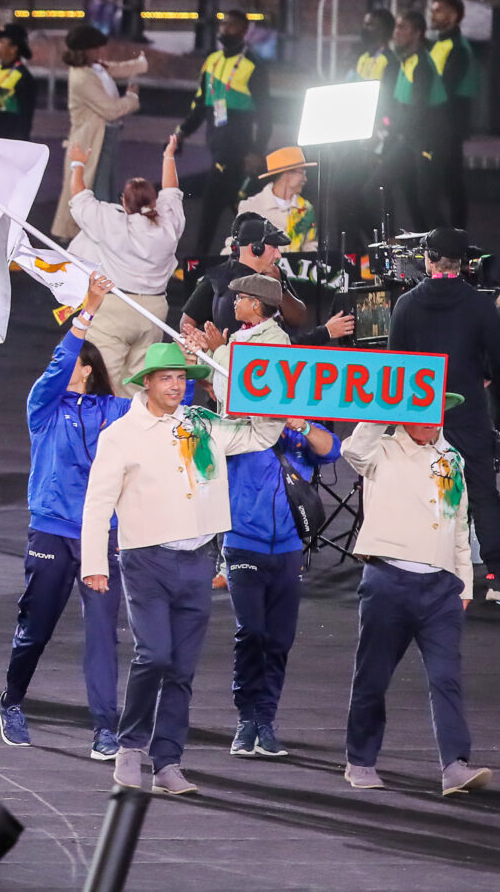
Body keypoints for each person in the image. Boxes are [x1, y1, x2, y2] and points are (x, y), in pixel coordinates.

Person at [79, 340, 305, 795]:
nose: (176, 386)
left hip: (197, 560)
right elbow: (98, 503)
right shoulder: (121, 435)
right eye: (167, 378)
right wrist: (93, 563)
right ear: (147, 383)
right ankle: (130, 747)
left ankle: (168, 762)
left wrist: (273, 405)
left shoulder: (202, 422)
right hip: (145, 559)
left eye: (182, 378)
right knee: (154, 655)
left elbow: (258, 435)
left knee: (182, 667)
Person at [188, 274, 339, 760]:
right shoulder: (237, 424)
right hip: (245, 539)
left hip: (290, 544)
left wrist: (297, 422)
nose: (233, 302)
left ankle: (265, 721)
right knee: (251, 632)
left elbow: (330, 449)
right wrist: (217, 359)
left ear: (258, 305)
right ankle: (246, 718)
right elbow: (221, 406)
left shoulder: (292, 412)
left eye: (240, 298)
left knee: (278, 640)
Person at [0, 274, 128, 759]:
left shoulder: (116, 411)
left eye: (72, 361)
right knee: (37, 624)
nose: (60, 366)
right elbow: (54, 369)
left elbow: (163, 408)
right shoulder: (43, 407)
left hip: (100, 536)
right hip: (51, 529)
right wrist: (87, 311)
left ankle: (105, 729)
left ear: (88, 369)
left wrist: (206, 363)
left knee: (102, 634)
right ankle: (11, 701)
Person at [339, 397, 489, 796]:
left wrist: (463, 583)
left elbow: (459, 521)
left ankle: (455, 765)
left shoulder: (450, 456)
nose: (427, 421)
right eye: (418, 411)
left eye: (433, 412)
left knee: (447, 677)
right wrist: (382, 411)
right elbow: (352, 450)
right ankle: (360, 759)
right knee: (373, 674)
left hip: (441, 588)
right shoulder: (382, 447)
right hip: (389, 578)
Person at [388, 226, 500, 603]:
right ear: (464, 263)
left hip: (422, 417)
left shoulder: (405, 305)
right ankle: (497, 577)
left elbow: (394, 369)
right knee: (483, 493)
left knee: (423, 492)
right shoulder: (480, 305)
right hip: (469, 415)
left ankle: (425, 567)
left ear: (429, 259)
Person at [64, 135, 184, 394]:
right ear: (154, 202)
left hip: (115, 308)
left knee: (102, 380)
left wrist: (78, 164)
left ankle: (100, 433)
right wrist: (168, 155)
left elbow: (80, 197)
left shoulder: (112, 223)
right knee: (139, 386)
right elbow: (172, 191)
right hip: (154, 311)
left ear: (124, 202)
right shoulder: (169, 225)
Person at [180, 213, 351, 344]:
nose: (278, 254)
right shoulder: (217, 279)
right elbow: (272, 349)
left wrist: (280, 288)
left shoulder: (273, 273)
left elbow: (298, 319)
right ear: (255, 248)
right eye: (274, 247)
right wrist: (210, 351)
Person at [177, 10, 262, 260]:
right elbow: (200, 103)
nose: (225, 30)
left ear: (244, 31)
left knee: (212, 201)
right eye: (223, 24)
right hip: (215, 142)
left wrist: (256, 150)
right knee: (237, 203)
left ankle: (198, 258)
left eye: (232, 26)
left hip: (237, 145)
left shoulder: (253, 65)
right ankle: (260, 249)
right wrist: (182, 132)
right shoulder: (212, 61)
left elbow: (265, 113)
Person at [51, 26, 145, 239]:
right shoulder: (83, 77)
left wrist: (140, 64)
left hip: (103, 137)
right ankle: (89, 242)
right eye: (95, 48)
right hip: (90, 142)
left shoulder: (94, 69)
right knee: (95, 193)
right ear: (85, 51)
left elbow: (116, 68)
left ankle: (97, 240)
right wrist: (131, 98)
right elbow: (110, 110)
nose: (100, 52)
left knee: (102, 191)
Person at [384, 6, 445, 232]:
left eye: (402, 27)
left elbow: (419, 112)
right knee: (414, 200)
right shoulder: (407, 61)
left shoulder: (421, 66)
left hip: (423, 143)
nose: (396, 32)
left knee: (427, 203)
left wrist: (393, 130)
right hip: (410, 140)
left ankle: (450, 256)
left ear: (417, 33)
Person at [426, 0, 479, 227]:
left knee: (450, 184)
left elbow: (446, 88)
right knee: (447, 183)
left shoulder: (458, 48)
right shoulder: (439, 44)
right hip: (439, 124)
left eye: (439, 10)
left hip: (448, 125)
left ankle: (457, 237)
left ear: (454, 16)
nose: (433, 14)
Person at [236, 146, 317, 251]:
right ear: (287, 174)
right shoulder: (252, 207)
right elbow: (237, 243)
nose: (305, 179)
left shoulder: (306, 208)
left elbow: (310, 244)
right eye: (302, 173)